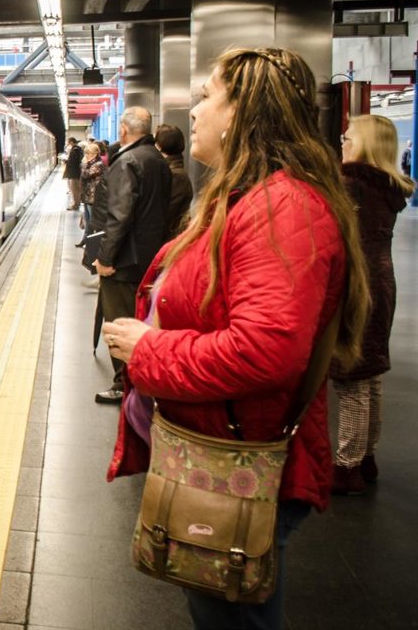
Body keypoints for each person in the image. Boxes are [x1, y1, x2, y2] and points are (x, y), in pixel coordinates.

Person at [101, 47, 370, 630]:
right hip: (223, 448)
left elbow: (264, 351)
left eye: (208, 96)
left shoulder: (285, 209)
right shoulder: (251, 199)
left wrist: (149, 349)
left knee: (231, 616)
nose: (194, 111)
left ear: (244, 110)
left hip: (241, 463)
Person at [331, 116, 413, 494]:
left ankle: (346, 465)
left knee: (351, 376)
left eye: (348, 137)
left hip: (357, 283)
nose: (343, 141)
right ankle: (367, 457)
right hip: (383, 279)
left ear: (363, 143)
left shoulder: (350, 184)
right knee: (372, 373)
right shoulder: (391, 187)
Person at [92, 107, 171, 404]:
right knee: (138, 318)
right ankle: (133, 380)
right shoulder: (157, 160)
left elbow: (119, 215)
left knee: (118, 320)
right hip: (148, 256)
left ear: (123, 129)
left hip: (125, 260)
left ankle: (123, 383)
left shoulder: (127, 161)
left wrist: (107, 259)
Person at [155, 123, 193, 235]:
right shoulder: (173, 171)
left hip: (169, 239)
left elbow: (164, 212)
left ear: (159, 146)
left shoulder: (175, 175)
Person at [76, 141, 105, 245]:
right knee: (88, 220)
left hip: (94, 197)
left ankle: (94, 243)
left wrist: (83, 165)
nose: (87, 156)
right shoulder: (90, 164)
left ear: (95, 154)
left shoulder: (98, 165)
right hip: (88, 196)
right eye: (86, 154)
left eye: (89, 154)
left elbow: (86, 175)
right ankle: (86, 240)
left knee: (93, 221)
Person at [62, 137, 83, 210]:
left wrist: (66, 161)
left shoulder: (75, 150)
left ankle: (75, 205)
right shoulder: (77, 149)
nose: (67, 143)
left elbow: (73, 162)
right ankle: (76, 204)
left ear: (71, 142)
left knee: (75, 190)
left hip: (74, 173)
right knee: (75, 190)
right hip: (75, 173)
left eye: (68, 142)